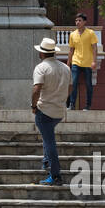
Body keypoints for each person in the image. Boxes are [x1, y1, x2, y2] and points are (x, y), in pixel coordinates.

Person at [31, 37, 71, 185]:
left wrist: (33, 106)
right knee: (47, 136)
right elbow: (70, 88)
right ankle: (47, 160)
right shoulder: (65, 68)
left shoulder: (41, 68)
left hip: (44, 110)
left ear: (42, 53)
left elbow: (36, 89)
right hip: (59, 111)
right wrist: (60, 99)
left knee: (49, 142)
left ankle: (55, 175)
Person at [67, 13, 100, 111]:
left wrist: (94, 61)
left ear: (84, 22)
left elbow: (95, 48)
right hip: (76, 62)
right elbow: (71, 50)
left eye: (79, 20)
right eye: (76, 20)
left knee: (89, 85)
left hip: (88, 63)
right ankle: (72, 104)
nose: (77, 22)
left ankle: (88, 105)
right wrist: (68, 64)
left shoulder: (90, 33)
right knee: (74, 83)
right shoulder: (72, 34)